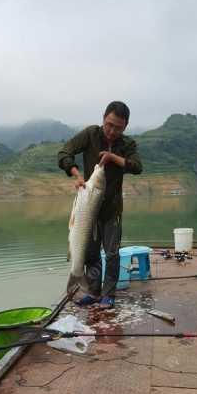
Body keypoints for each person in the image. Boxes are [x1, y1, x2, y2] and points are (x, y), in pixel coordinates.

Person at [58, 101, 142, 308]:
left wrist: (113, 157)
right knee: (91, 253)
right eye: (109, 124)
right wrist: (76, 174)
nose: (112, 131)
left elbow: (137, 167)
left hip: (112, 209)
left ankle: (108, 294)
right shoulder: (90, 135)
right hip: (89, 207)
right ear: (103, 118)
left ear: (125, 126)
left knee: (112, 254)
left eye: (118, 127)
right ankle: (93, 291)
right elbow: (64, 153)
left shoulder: (127, 144)